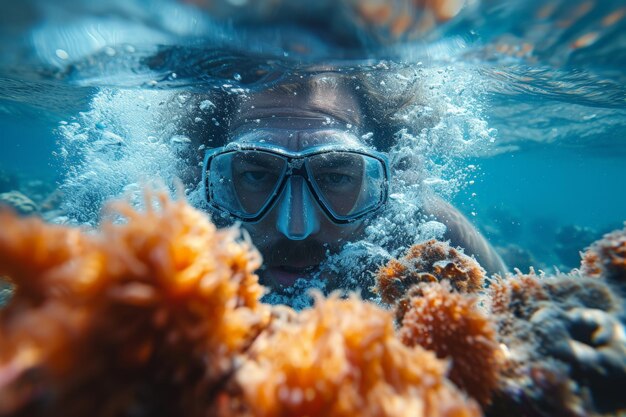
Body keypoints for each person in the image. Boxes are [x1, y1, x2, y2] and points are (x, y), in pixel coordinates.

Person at [188, 70, 507, 293]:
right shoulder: (177, 246)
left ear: (387, 180)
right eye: (257, 174)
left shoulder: (434, 240)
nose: (296, 229)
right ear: (212, 179)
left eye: (335, 177)